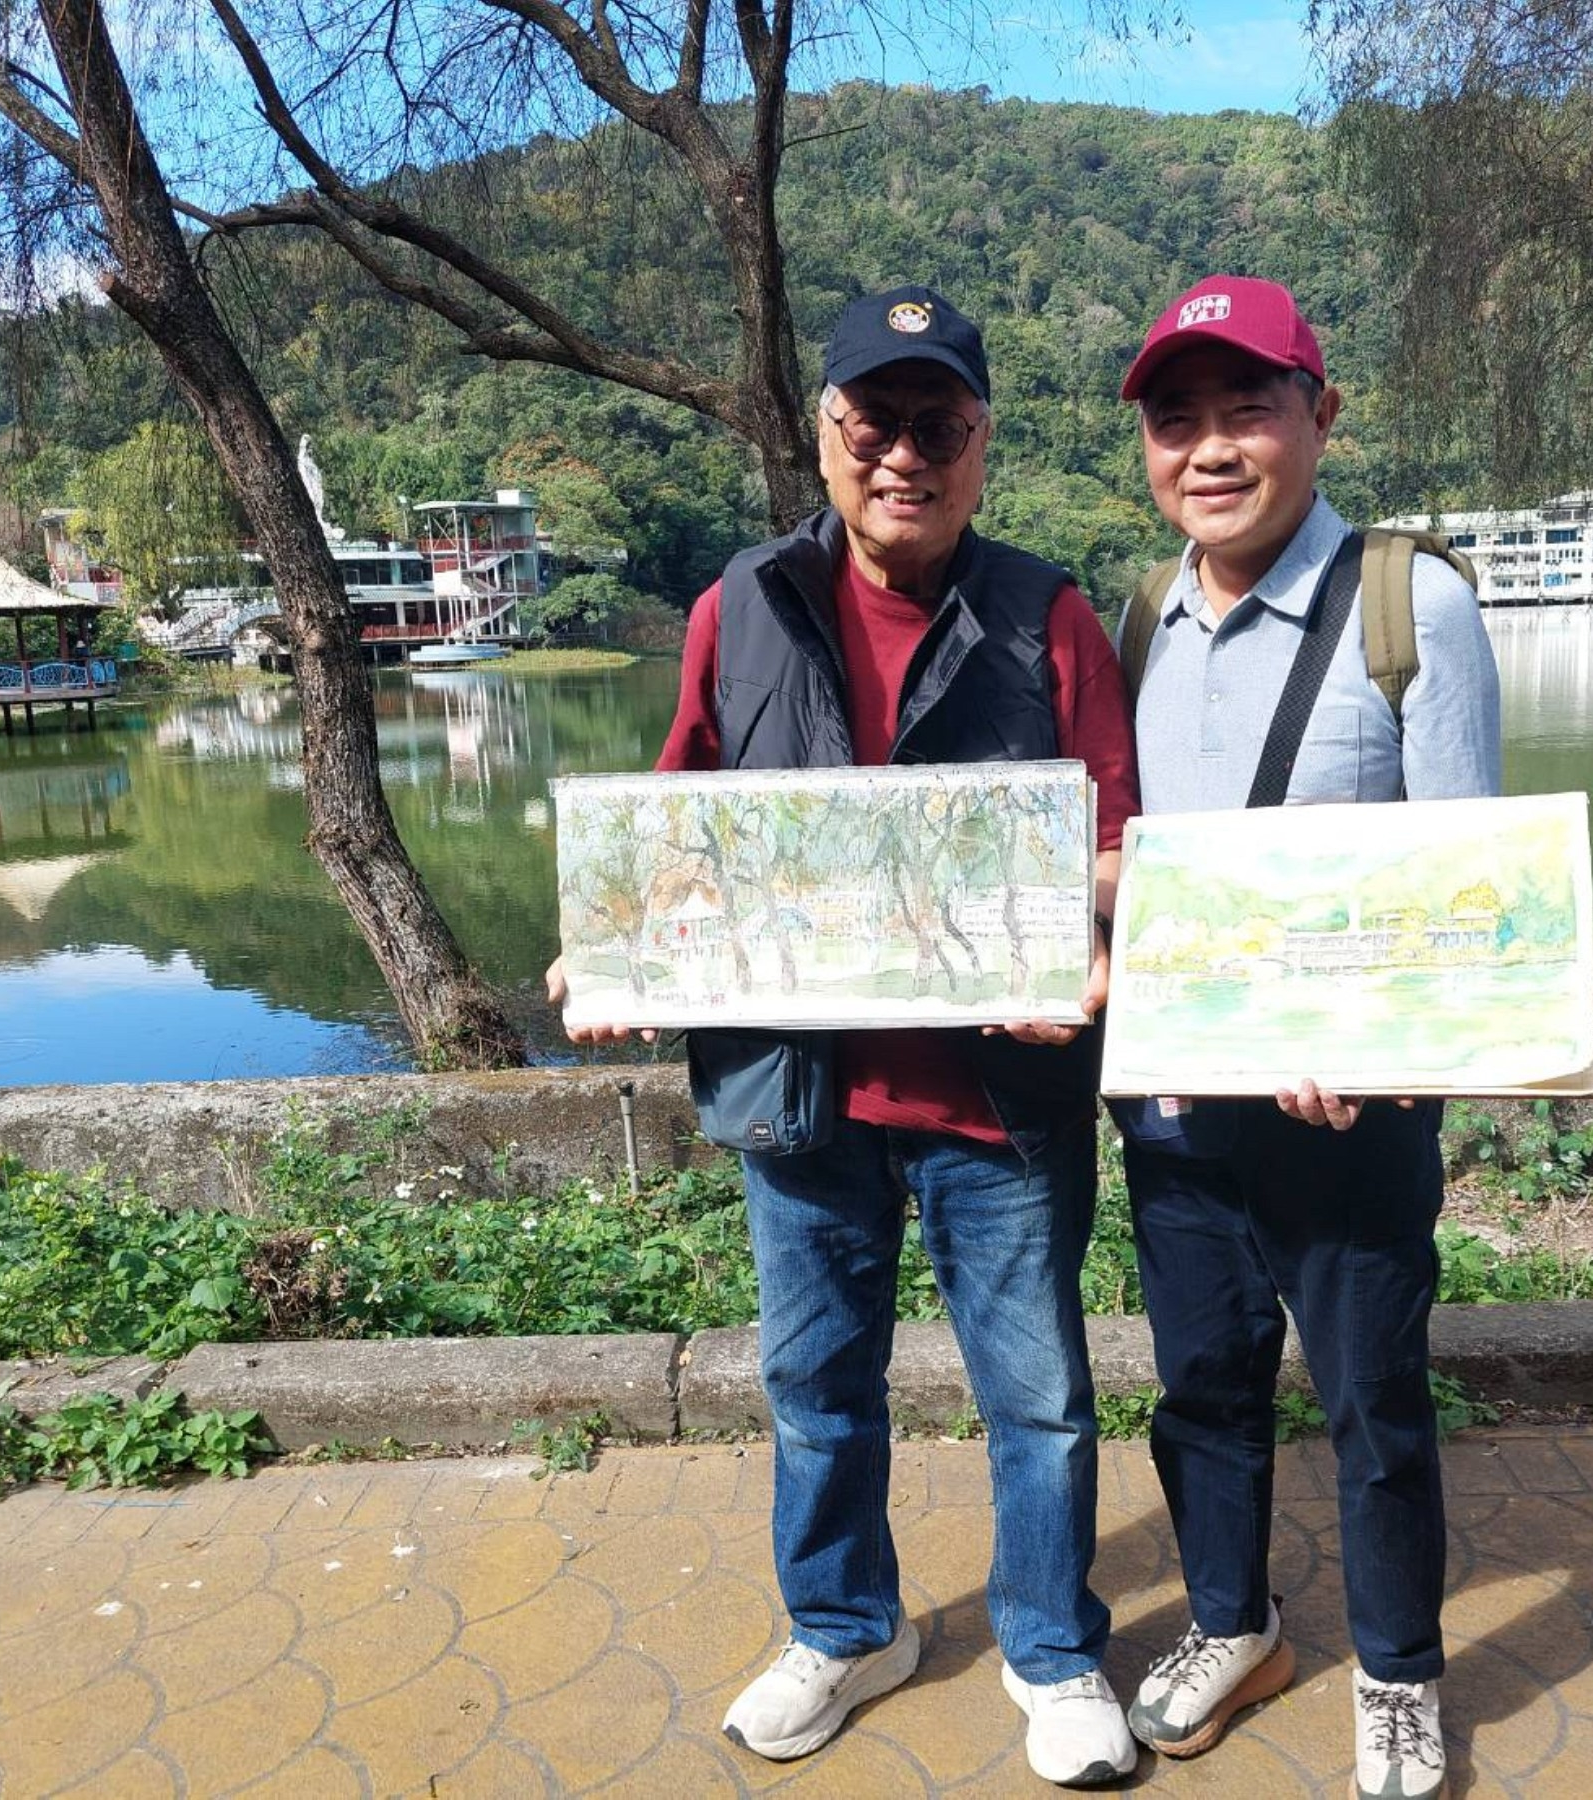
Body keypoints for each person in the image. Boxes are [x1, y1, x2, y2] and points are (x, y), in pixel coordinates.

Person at [546, 286, 1142, 1787]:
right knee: (815, 1393)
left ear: (982, 444)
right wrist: (614, 944)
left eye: (939, 427)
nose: (904, 456)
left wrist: (1075, 944)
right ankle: (846, 1629)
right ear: (825, 432)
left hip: (1001, 1102)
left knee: (1041, 1402)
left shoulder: (1049, 615)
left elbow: (1117, 848)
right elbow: (677, 829)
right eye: (875, 423)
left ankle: (1052, 1650)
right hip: (803, 1099)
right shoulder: (740, 604)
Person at [1110, 275, 1501, 1800]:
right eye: (1176, 420)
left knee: (1374, 1404)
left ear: (1319, 416)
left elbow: (1466, 891)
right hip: (1179, 1111)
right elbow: (1135, 869)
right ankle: (1236, 1624)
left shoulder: (1412, 606)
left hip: (1351, 1117)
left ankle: (1400, 1671)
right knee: (1203, 1387)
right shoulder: (1138, 618)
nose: (1210, 449)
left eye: (1246, 409)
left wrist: (1381, 1042)